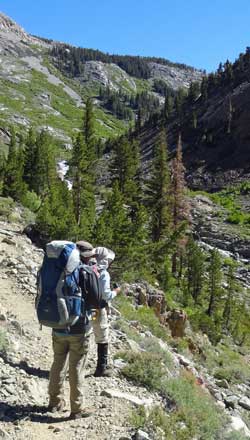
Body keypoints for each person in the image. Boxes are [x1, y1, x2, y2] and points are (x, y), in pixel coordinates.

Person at [48, 240, 98, 419]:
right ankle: (76, 409)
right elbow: (97, 300)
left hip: (58, 325)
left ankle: (54, 402)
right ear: (88, 255)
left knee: (58, 362)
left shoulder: (57, 269)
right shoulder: (86, 271)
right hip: (79, 328)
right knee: (76, 367)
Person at [92, 246, 121, 377]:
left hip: (86, 307)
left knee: (85, 334)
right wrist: (116, 292)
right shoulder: (103, 273)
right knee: (102, 336)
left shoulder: (86, 267)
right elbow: (106, 295)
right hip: (97, 309)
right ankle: (101, 368)